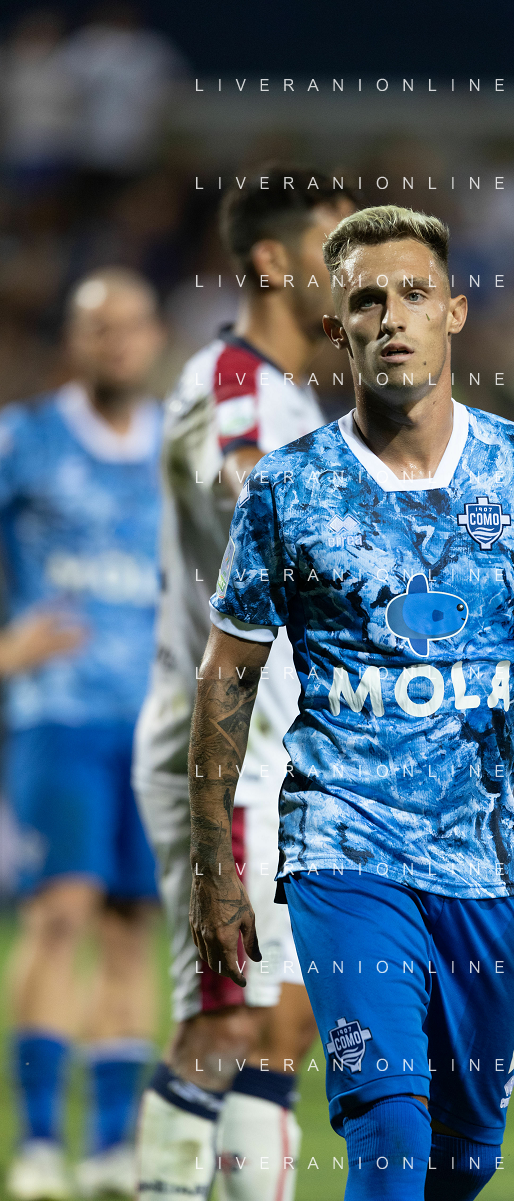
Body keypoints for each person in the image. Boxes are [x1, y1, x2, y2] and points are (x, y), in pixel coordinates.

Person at [187, 203, 514, 1199]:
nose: (391, 316)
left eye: (414, 293)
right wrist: (215, 867)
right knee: (390, 1125)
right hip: (342, 851)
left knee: (464, 1158)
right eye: (366, 300)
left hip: (480, 861)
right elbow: (228, 676)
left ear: (455, 312)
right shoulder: (288, 489)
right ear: (337, 325)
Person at [133, 167, 357, 1201]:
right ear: (271, 261)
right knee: (225, 1026)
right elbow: (244, 480)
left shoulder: (292, 396)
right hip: (223, 759)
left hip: (276, 757)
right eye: (332, 250)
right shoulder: (231, 381)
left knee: (283, 1022)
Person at [1, 267, 165, 1201]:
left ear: (153, 339)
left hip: (154, 724)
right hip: (56, 714)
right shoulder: (23, 440)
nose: (117, 341)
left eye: (132, 325)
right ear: (75, 341)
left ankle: (108, 1148)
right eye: (99, 326)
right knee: (60, 912)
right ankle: (35, 1145)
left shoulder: (180, 451)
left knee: (130, 924)